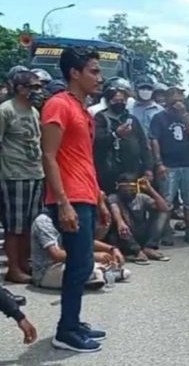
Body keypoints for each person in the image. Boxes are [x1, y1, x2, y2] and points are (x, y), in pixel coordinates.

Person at [41, 47, 111, 352]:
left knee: (82, 264)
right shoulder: (58, 105)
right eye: (94, 71)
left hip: (85, 194)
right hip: (69, 197)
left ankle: (74, 321)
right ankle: (66, 331)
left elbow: (84, 159)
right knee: (80, 265)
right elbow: (48, 155)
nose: (100, 77)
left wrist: (99, 198)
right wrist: (64, 202)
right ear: (74, 73)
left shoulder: (82, 109)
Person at [0, 70, 45, 283]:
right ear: (20, 89)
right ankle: (13, 267)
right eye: (34, 87)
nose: (39, 91)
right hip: (14, 175)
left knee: (30, 225)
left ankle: (25, 262)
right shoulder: (5, 111)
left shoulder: (34, 111)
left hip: (35, 173)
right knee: (14, 226)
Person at [31, 209, 130, 289]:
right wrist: (93, 256)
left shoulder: (71, 215)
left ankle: (99, 275)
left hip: (68, 264)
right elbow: (56, 255)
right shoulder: (44, 221)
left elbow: (85, 241)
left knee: (116, 267)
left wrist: (112, 249)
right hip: (47, 272)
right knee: (92, 270)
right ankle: (99, 275)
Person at [150, 86, 189, 244]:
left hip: (188, 164)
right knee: (167, 199)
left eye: (179, 95)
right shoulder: (159, 117)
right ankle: (166, 233)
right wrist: (159, 163)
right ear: (166, 99)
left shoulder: (188, 115)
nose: (176, 98)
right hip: (168, 164)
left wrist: (184, 114)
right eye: (172, 95)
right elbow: (154, 140)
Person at [94, 80, 153, 194]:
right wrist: (115, 134)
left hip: (133, 171)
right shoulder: (100, 118)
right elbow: (97, 140)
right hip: (108, 172)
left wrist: (148, 168)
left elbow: (143, 144)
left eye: (122, 100)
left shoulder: (132, 119)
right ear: (109, 101)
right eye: (116, 100)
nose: (119, 103)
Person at [107, 173, 171, 263]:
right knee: (121, 224)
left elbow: (164, 208)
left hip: (140, 232)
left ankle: (149, 247)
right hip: (123, 235)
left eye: (131, 187)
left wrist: (150, 189)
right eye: (125, 188)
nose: (128, 190)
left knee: (162, 213)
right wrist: (120, 222)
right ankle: (136, 251)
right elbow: (115, 210)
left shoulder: (141, 197)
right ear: (118, 187)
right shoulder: (114, 197)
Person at [128, 76, 163, 140]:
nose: (145, 91)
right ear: (136, 89)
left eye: (149, 88)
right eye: (142, 88)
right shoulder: (129, 108)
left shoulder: (160, 110)